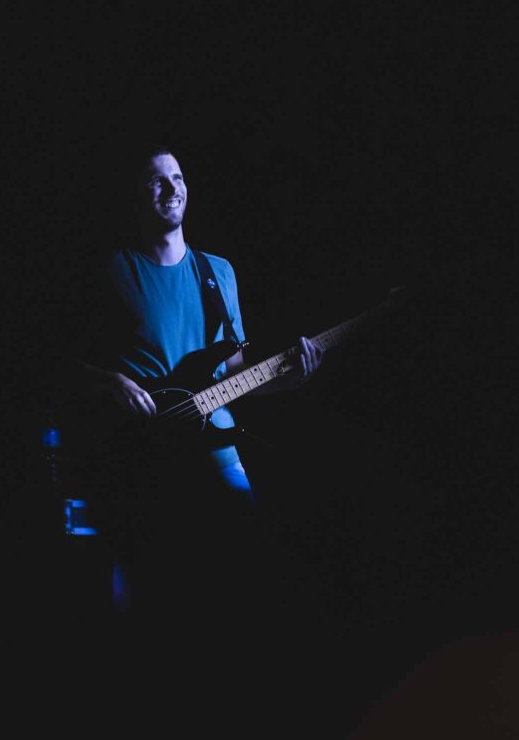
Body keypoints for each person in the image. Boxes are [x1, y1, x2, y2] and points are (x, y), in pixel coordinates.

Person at [47, 141, 324, 650]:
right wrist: (111, 382)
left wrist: (288, 378)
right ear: (137, 198)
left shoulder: (219, 273)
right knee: (145, 606)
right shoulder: (111, 270)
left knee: (249, 591)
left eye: (177, 177)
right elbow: (57, 364)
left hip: (217, 450)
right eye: (157, 180)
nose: (171, 188)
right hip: (143, 457)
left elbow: (232, 370)